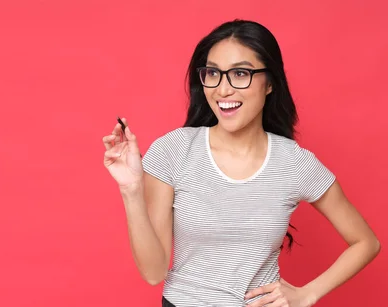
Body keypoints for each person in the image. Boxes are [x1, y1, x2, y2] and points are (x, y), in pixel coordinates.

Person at [102, 19, 380, 307]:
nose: (223, 90)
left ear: (270, 83)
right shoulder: (174, 150)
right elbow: (153, 272)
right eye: (213, 73)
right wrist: (131, 190)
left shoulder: (294, 163)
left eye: (240, 73)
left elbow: (366, 242)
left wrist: (307, 293)